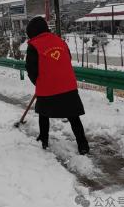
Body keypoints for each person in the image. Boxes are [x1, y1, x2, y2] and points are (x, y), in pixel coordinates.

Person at [25, 16, 89, 155]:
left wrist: (39, 82)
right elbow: (68, 59)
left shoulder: (33, 45)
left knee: (43, 114)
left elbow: (31, 69)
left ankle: (44, 138)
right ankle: (83, 145)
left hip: (47, 87)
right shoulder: (60, 41)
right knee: (73, 116)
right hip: (68, 85)